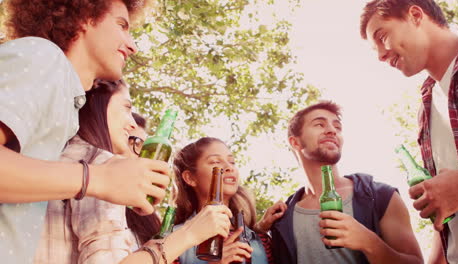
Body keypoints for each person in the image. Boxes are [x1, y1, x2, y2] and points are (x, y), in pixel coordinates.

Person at [0, 0, 169, 262]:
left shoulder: (67, 111)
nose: (132, 45)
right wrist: (101, 179)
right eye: (121, 25)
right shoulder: (43, 57)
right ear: (85, 17)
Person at [35, 80, 233, 263]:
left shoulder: (52, 156)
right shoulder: (104, 166)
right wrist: (189, 235)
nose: (131, 124)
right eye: (127, 107)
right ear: (97, 103)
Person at [360, 1, 458, 262]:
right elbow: (447, 207)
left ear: (416, 15)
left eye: (382, 36)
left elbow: (457, 190)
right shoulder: (428, 105)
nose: (381, 56)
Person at [270, 101, 423, 264]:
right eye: (319, 124)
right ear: (295, 142)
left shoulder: (381, 196)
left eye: (337, 127)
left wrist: (370, 243)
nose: (331, 130)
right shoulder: (281, 218)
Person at [172, 137, 275, 264]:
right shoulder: (171, 240)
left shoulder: (261, 240)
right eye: (215, 162)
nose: (229, 167)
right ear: (190, 178)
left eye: (232, 162)